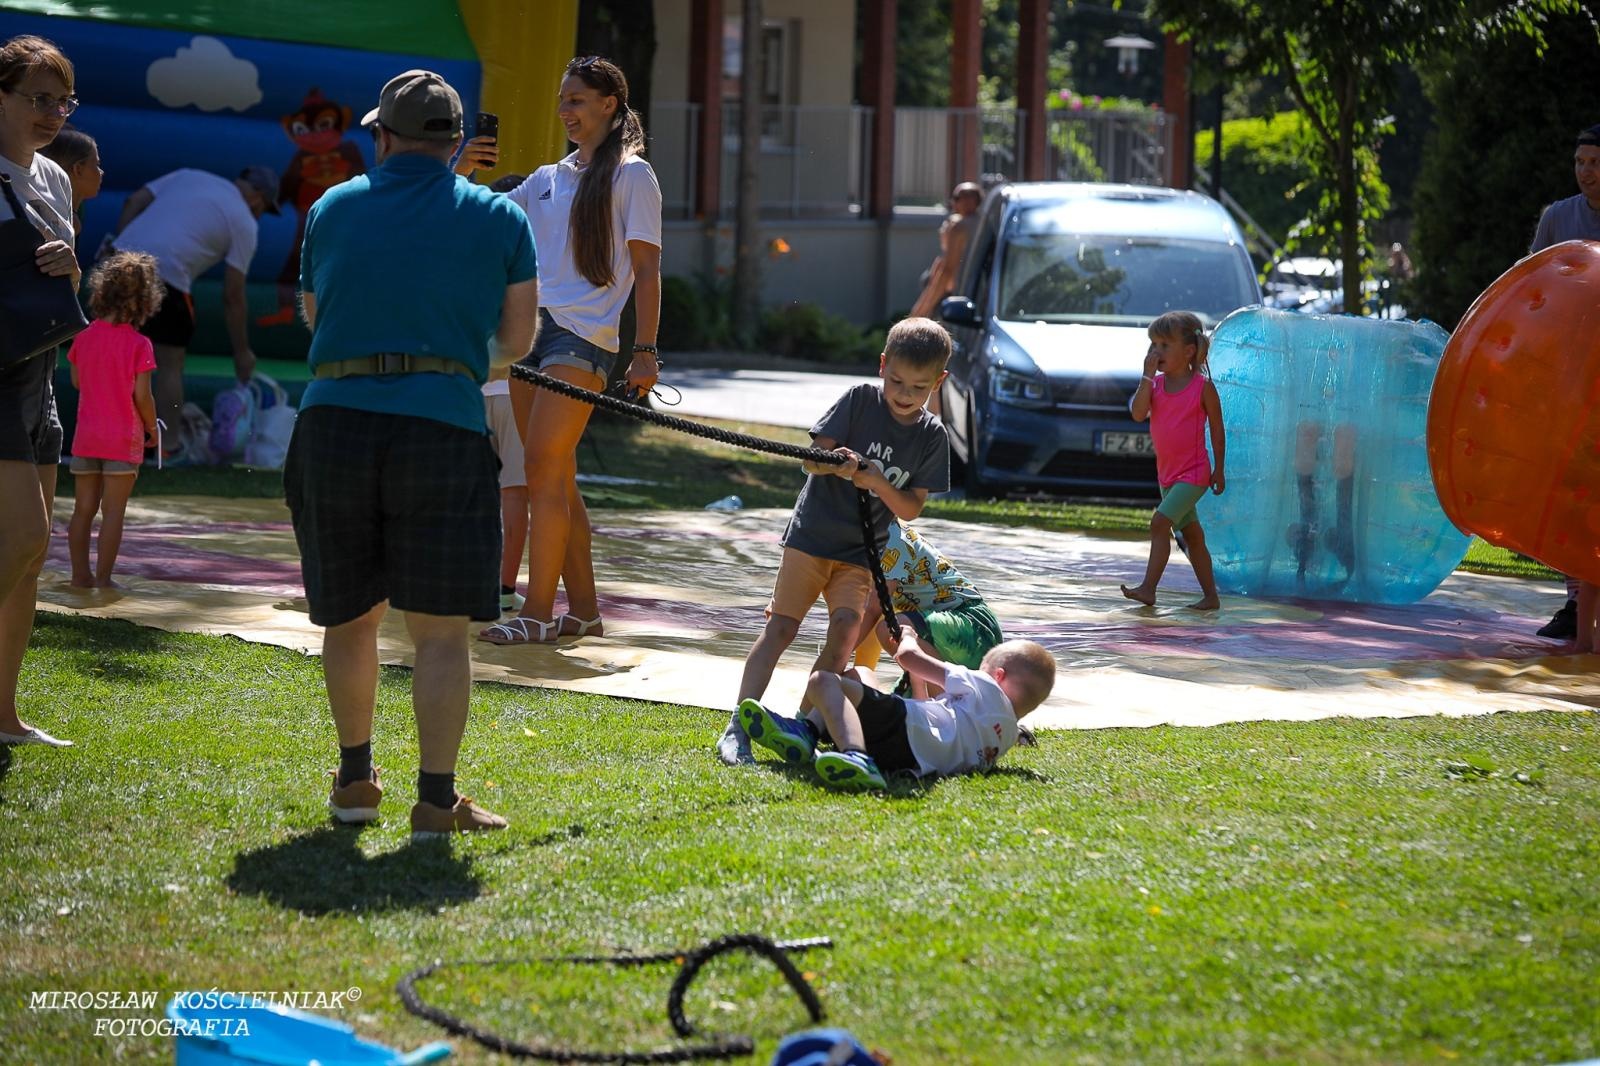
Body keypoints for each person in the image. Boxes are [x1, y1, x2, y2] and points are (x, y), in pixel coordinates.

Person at [286, 69, 539, 837]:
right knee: (438, 632)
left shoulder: (332, 206)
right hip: (444, 426)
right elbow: (518, 342)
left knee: (351, 618)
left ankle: (355, 780)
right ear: (456, 142)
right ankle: (435, 801)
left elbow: (312, 313)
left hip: (334, 421)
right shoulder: (500, 218)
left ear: (382, 136)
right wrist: (454, 360)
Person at [470, 57, 662, 648]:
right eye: (562, 100)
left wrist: (646, 350)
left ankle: (535, 612)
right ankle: (583, 611)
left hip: (584, 339)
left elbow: (648, 271)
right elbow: (481, 221)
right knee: (555, 476)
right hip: (532, 332)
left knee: (545, 470)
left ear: (609, 103)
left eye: (576, 100)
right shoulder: (549, 177)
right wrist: (466, 170)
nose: (565, 111)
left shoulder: (634, 177)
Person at [717, 317, 953, 766]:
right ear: (883, 365)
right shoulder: (860, 401)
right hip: (811, 538)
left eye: (919, 388)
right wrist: (836, 461)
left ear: (938, 382)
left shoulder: (931, 436)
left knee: (845, 633)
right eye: (896, 380)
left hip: (860, 554)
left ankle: (803, 726)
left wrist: (877, 480)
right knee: (781, 628)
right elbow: (812, 461)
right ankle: (737, 726)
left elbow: (910, 508)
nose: (904, 394)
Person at [0, 34, 80, 747]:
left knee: (27, 559)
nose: (53, 113)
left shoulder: (53, 179)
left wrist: (68, 266)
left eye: (63, 101)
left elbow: (68, 284)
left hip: (39, 373)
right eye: (38, 98)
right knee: (22, 535)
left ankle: (4, 717)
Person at [104, 163, 278, 461]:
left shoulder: (189, 175)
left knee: (112, 356)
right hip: (167, 277)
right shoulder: (245, 222)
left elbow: (133, 201)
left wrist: (123, 250)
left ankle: (104, 441)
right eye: (263, 209)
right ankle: (167, 448)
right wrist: (242, 351)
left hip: (119, 264)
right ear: (258, 198)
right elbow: (233, 295)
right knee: (169, 364)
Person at [737, 633, 1056, 791]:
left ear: (997, 675)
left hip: (903, 730)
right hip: (911, 761)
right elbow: (932, 707)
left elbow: (909, 658)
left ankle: (836, 746)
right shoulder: (1008, 735)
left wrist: (907, 636)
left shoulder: (984, 685)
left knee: (823, 681)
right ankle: (818, 738)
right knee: (858, 675)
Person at [1527, 122, 1600, 641]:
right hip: (1569, 377)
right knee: (1569, 487)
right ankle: (1576, 602)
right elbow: (1531, 284)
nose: (1586, 172)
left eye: (1594, 163)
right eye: (1580, 163)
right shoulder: (1559, 218)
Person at [65, 252, 161, 589]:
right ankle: (104, 578)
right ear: (144, 301)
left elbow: (78, 382)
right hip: (122, 439)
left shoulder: (84, 336)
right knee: (113, 512)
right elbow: (142, 396)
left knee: (83, 510)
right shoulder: (139, 344)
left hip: (87, 437)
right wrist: (152, 427)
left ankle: (80, 575)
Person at [1119, 310, 1225, 611]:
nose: (1156, 352)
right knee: (1192, 534)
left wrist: (1219, 469)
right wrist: (1147, 376)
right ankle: (1211, 596)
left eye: (1165, 346)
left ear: (1189, 351)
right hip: (1168, 475)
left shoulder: (1202, 387)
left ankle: (1149, 589)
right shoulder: (1155, 386)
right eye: (1154, 345)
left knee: (1159, 522)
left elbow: (1217, 430)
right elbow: (1138, 414)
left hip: (1194, 473)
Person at [862, 519, 1003, 699]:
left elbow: (872, 610)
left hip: (972, 626)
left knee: (890, 628)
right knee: (901, 703)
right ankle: (946, 702)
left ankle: (948, 705)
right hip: (943, 630)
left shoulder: (891, 539)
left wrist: (836, 654)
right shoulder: (870, 534)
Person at [485, 172, 530, 615]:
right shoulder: (531, 260)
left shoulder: (469, 257)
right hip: (517, 390)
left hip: (472, 387)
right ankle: (501, 585)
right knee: (515, 494)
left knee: (462, 491)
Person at [909, 181, 982, 319]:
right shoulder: (984, 223)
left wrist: (918, 313)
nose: (953, 203)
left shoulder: (958, 226)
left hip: (955, 298)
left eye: (956, 198)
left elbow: (947, 272)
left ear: (970, 201)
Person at [37, 123, 98, 233]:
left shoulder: (77, 211)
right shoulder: (68, 223)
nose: (101, 172)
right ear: (78, 169)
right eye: (97, 165)